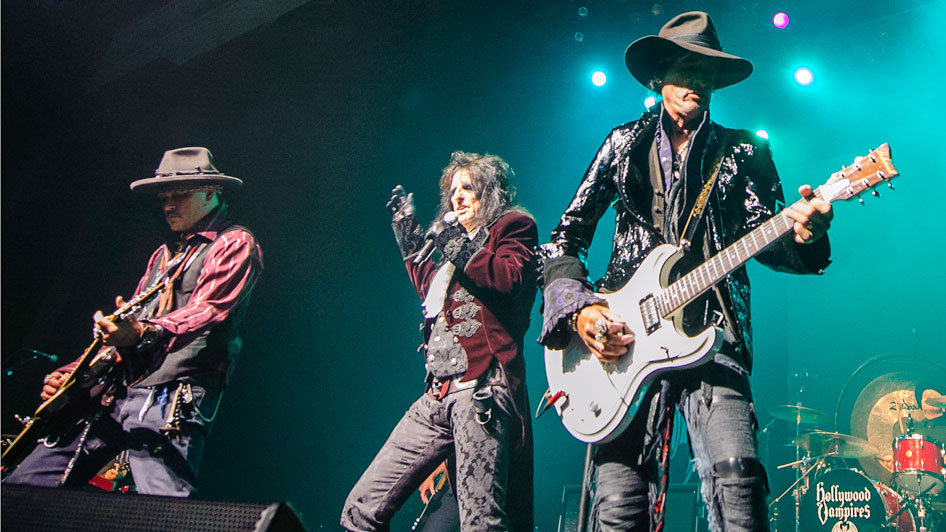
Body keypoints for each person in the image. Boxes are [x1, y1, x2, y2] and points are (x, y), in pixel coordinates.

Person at [537, 12, 833, 532]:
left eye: (706, 71)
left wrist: (806, 233)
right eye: (685, 67)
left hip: (714, 334)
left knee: (737, 482)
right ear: (660, 76)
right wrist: (579, 309)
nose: (697, 80)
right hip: (624, 340)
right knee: (618, 502)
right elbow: (566, 237)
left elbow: (768, 236)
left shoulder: (744, 149)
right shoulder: (621, 144)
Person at [3, 147, 263, 496]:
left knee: (161, 504)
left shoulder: (235, 242)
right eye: (164, 198)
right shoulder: (165, 253)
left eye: (180, 196)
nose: (168, 205)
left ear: (211, 192)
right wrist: (74, 372)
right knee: (25, 486)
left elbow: (208, 309)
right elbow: (131, 325)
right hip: (116, 390)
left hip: (174, 392)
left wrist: (142, 331)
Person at [341, 151, 536, 531]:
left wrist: (454, 242)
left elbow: (507, 277)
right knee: (361, 509)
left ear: (491, 194)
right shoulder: (453, 253)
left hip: (480, 393)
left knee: (480, 523)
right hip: (436, 397)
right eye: (453, 190)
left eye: (469, 189)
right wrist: (407, 228)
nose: (457, 197)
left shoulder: (514, 226)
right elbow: (429, 287)